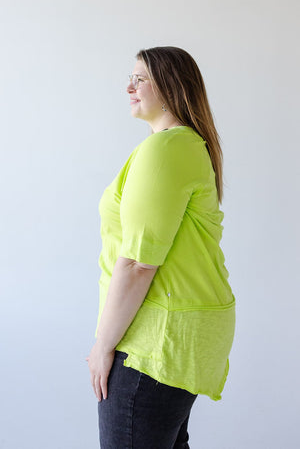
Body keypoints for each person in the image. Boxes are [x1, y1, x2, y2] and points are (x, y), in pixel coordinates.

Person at [86, 46, 236, 449]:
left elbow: (137, 263)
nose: (129, 86)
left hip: (155, 342)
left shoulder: (167, 148)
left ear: (171, 86)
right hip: (171, 334)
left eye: (140, 78)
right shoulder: (181, 146)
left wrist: (102, 347)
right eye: (130, 78)